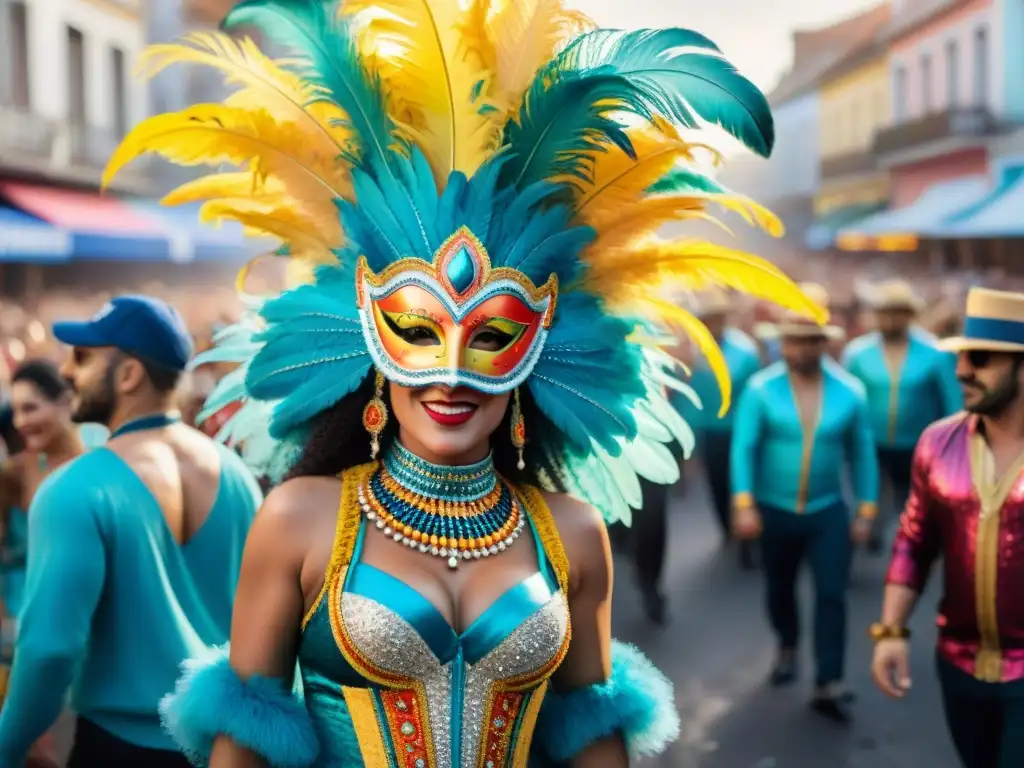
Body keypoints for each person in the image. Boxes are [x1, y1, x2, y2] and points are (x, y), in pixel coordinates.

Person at [106, 1, 826, 764]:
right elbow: (242, 750)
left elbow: (595, 744)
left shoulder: (572, 534)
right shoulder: (299, 521)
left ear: (538, 350)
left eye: (491, 337)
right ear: (369, 342)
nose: (451, 372)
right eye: (417, 331)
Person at [0, 295, 263, 768]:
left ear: (128, 375)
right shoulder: (236, 474)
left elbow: (49, 650)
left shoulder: (75, 487)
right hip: (228, 748)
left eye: (83, 357)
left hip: (118, 750)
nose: (66, 371)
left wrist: (7, 747)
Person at [872, 287, 1024, 768]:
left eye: (979, 358)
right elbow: (914, 540)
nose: (961, 371)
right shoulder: (938, 442)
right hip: (957, 663)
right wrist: (891, 630)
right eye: (961, 356)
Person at [731, 283, 879, 722]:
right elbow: (744, 447)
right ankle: (787, 645)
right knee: (780, 588)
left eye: (809, 340)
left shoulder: (850, 391)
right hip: (774, 509)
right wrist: (744, 503)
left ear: (823, 342)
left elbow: (862, 453)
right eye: (792, 340)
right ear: (781, 342)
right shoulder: (761, 389)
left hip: (827, 510)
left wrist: (866, 509)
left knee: (832, 593)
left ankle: (829, 679)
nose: (799, 349)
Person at [0, 360, 89, 766]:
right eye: (16, 410)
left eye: (31, 407)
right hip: (19, 634)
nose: (21, 422)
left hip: (84, 635)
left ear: (66, 401)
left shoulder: (103, 463)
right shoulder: (13, 476)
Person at [842, 279, 962, 553]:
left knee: (915, 502)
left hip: (919, 445)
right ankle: (872, 532)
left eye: (898, 312)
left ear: (910, 314)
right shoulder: (858, 354)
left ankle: (913, 546)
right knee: (872, 495)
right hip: (871, 443)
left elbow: (952, 401)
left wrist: (952, 444)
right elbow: (845, 397)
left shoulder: (934, 353)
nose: (891, 319)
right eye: (885, 312)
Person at [683, 290, 762, 569]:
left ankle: (748, 538)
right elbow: (689, 398)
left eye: (717, 318)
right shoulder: (692, 351)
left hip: (741, 429)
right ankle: (728, 530)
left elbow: (756, 393)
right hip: (710, 431)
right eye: (708, 319)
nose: (713, 324)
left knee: (744, 483)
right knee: (717, 484)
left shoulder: (745, 351)